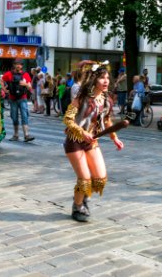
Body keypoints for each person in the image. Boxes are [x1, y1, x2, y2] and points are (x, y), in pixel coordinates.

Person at [63, 62, 124, 222]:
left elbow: (108, 120)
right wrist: (82, 132)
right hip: (74, 140)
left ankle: (83, 196)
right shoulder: (81, 97)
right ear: (94, 79)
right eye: (102, 78)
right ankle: (77, 207)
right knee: (84, 179)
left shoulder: (106, 100)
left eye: (107, 78)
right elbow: (68, 119)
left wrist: (115, 138)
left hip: (92, 141)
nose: (106, 81)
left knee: (100, 178)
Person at [2, 58, 35, 142]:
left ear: (22, 66)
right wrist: (4, 90)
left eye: (19, 64)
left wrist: (25, 84)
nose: (18, 65)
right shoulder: (9, 74)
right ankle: (16, 135)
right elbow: (1, 80)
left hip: (23, 98)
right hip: (13, 99)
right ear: (14, 65)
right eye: (16, 64)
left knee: (24, 116)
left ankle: (26, 135)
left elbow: (30, 87)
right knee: (14, 117)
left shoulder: (25, 74)